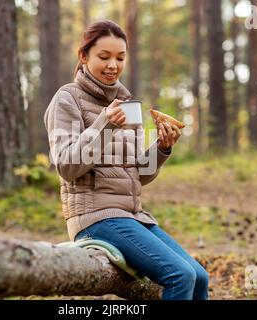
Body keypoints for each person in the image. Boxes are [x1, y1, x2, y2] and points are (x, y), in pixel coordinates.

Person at [44, 19, 209, 300]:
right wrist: (104, 125)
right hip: (94, 217)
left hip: (133, 216)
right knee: (180, 276)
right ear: (84, 57)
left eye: (120, 58)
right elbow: (67, 167)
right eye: (104, 57)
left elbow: (139, 174)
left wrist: (162, 147)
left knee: (200, 277)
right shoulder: (66, 99)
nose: (113, 65)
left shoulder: (129, 106)